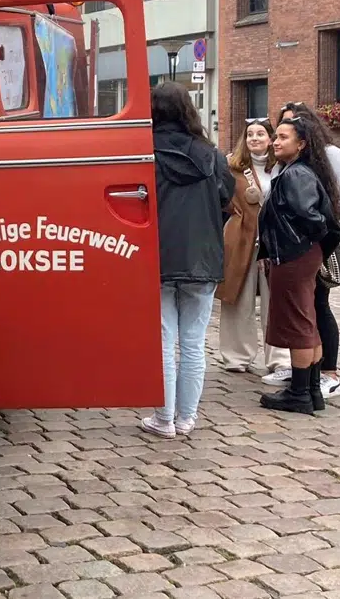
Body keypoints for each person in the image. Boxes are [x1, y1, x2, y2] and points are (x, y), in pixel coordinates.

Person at [141, 82, 234, 438]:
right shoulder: (212, 155)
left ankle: (163, 419)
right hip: (203, 258)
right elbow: (227, 199)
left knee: (164, 340)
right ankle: (186, 418)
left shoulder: (145, 153)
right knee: (194, 342)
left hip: (159, 256)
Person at [261, 102, 340, 399]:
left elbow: (315, 218)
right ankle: (310, 386)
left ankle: (301, 391)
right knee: (306, 316)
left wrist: (300, 243)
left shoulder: (297, 174)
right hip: (299, 254)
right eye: (276, 136)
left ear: (302, 143)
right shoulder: (298, 169)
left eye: (284, 137)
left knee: (300, 319)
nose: (276, 141)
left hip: (294, 256)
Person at [216, 119, 289, 375]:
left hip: (275, 242)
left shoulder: (281, 167)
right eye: (249, 134)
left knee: (277, 301)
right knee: (237, 299)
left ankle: (280, 357)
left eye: (260, 134)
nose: (254, 138)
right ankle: (236, 355)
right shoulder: (232, 167)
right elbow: (219, 196)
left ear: (270, 139)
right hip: (241, 240)